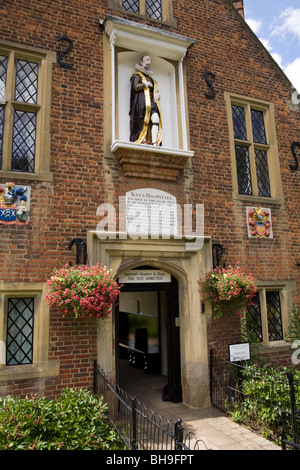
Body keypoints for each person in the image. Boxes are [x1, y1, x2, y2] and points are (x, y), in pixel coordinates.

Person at [129, 55, 162, 146]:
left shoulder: (152, 79)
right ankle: (142, 139)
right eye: (147, 60)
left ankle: (154, 141)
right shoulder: (137, 76)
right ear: (141, 62)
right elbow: (135, 87)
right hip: (141, 103)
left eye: (149, 60)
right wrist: (145, 84)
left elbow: (156, 91)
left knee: (155, 118)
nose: (149, 62)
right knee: (143, 120)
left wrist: (158, 95)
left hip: (152, 102)